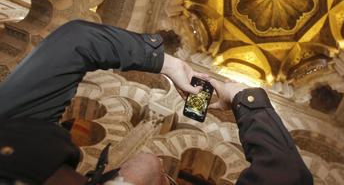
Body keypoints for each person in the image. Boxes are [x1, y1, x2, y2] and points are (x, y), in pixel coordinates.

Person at [0, 20, 313, 185]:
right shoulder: (21, 132)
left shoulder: (12, 126)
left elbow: (76, 41)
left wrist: (168, 65)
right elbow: (288, 177)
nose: (163, 169)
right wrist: (242, 99)